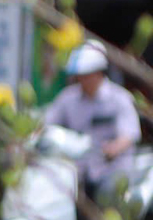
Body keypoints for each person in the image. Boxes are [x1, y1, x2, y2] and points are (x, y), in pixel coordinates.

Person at [46, 39, 142, 200]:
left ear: (98, 73)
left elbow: (130, 134)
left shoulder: (119, 98)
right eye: (79, 76)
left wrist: (114, 148)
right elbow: (47, 123)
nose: (82, 80)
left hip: (112, 172)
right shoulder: (68, 98)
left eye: (86, 75)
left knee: (108, 200)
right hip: (79, 173)